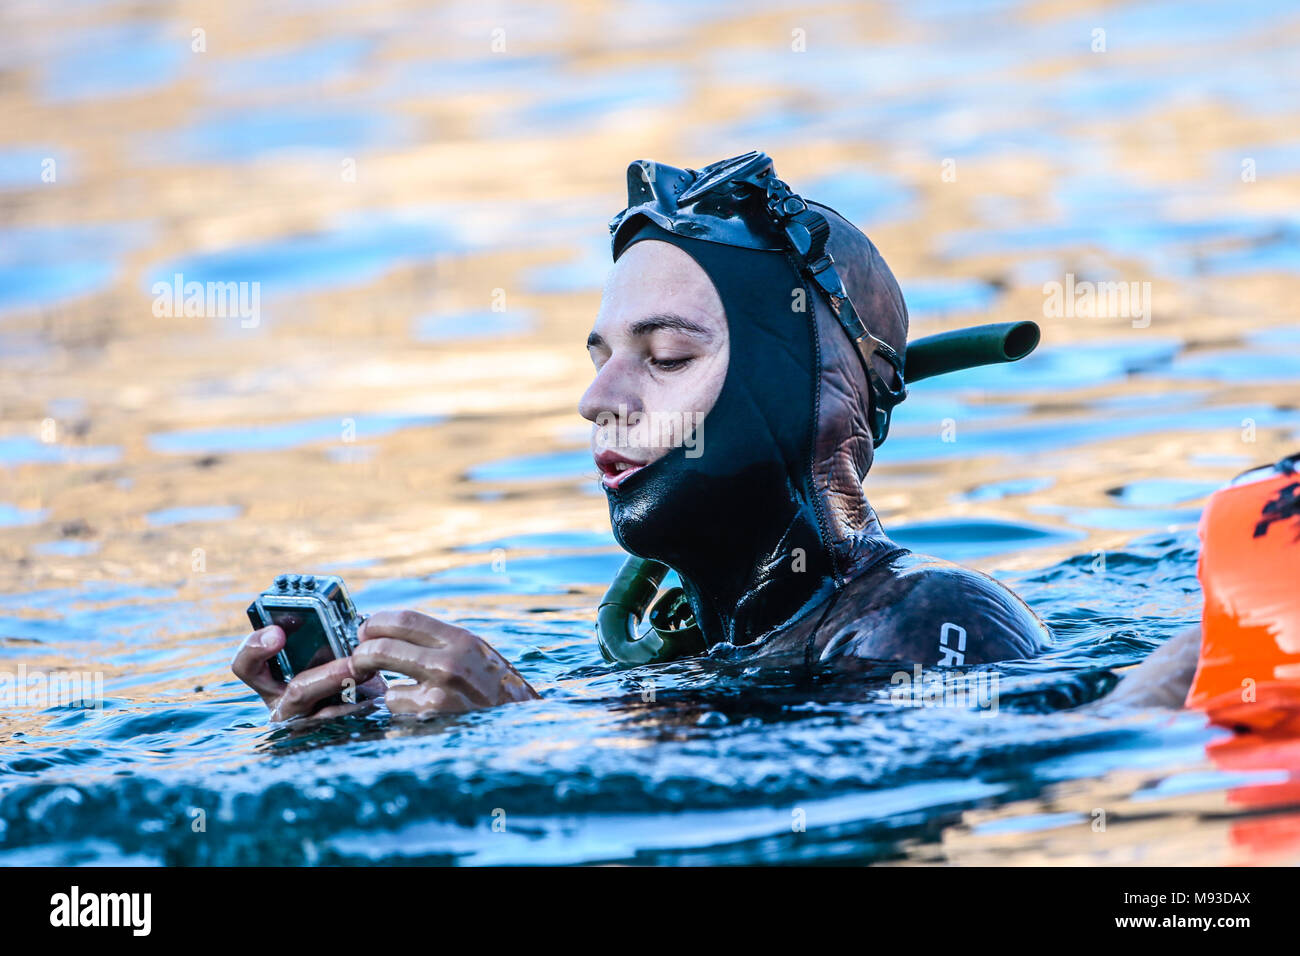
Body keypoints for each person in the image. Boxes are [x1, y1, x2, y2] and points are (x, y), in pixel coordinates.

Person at [232, 150, 1056, 720]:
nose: (598, 399)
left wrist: (512, 731)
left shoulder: (936, 624)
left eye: (664, 356)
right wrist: (372, 729)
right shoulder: (677, 650)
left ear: (816, 401)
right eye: (600, 356)